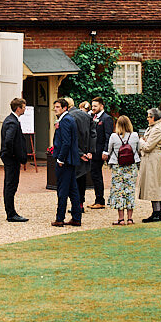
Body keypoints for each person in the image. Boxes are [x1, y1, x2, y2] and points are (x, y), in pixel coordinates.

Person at [51, 97, 83, 227]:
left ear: (64, 108)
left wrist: (60, 159)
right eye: (55, 107)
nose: (55, 109)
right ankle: (76, 217)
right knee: (73, 190)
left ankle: (60, 218)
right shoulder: (68, 119)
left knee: (62, 190)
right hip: (70, 159)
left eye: (58, 107)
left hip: (65, 160)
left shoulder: (65, 120)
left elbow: (66, 142)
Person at [105, 114, 141, 224]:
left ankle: (121, 219)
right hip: (131, 165)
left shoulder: (113, 136)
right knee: (130, 190)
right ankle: (130, 218)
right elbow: (138, 149)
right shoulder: (135, 135)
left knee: (119, 191)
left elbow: (109, 150)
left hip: (118, 165)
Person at [0, 96, 29, 222]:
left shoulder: (11, 120)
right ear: (18, 108)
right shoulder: (12, 122)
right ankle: (11, 214)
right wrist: (13, 155)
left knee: (10, 184)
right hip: (11, 159)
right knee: (11, 185)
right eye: (23, 107)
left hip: (10, 158)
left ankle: (11, 212)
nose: (25, 109)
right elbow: (9, 140)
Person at [138, 108, 161, 222]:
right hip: (150, 158)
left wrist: (141, 141)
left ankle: (157, 212)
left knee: (154, 185)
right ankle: (157, 211)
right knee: (152, 185)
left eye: (149, 117)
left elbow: (148, 146)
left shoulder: (157, 129)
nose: (147, 119)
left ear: (154, 118)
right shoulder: (152, 128)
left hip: (154, 159)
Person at [69, 99, 95, 210]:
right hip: (85, 152)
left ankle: (75, 204)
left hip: (74, 153)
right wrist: (90, 151)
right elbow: (93, 134)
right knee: (82, 178)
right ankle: (80, 203)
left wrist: (79, 153)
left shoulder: (69, 117)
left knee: (72, 179)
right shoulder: (87, 116)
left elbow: (70, 138)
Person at [88, 97, 114, 209]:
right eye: (92, 106)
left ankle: (100, 200)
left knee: (97, 175)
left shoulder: (106, 118)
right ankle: (98, 199)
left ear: (101, 106)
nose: (93, 108)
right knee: (94, 174)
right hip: (93, 151)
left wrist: (106, 151)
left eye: (95, 106)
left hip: (100, 151)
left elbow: (108, 136)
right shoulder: (93, 117)